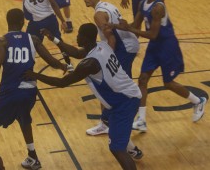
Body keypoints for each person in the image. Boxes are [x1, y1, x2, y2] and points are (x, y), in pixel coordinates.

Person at [0, 8, 67, 170]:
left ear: (7, 22)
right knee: (24, 119)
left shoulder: (2, 41)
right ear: (23, 22)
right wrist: (62, 65)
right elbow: (51, 61)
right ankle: (33, 157)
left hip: (10, 92)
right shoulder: (34, 39)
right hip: (29, 92)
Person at [26, 23, 142, 170]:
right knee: (114, 131)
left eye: (79, 34)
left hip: (125, 101)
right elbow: (76, 52)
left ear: (85, 38)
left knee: (117, 148)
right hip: (123, 96)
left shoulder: (89, 64)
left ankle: (130, 152)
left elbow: (62, 82)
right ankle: (134, 151)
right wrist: (54, 39)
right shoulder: (101, 46)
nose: (77, 36)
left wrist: (34, 75)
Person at [114, 0, 207, 132]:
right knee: (143, 79)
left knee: (168, 83)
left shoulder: (158, 8)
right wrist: (118, 26)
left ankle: (198, 101)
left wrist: (130, 29)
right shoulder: (142, 4)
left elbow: (153, 34)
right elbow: (135, 26)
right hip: (154, 47)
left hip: (167, 46)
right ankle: (141, 120)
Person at [82, 0, 140, 139]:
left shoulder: (98, 14)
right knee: (120, 82)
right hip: (130, 44)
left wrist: (107, 57)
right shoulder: (108, 5)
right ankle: (112, 119)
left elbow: (112, 38)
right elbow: (123, 22)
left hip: (123, 48)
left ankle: (108, 123)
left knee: (111, 84)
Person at [18, 0, 74, 72]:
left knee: (29, 45)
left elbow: (27, 5)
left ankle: (26, 69)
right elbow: (53, 3)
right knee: (59, 42)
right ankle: (69, 64)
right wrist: (62, 20)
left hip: (35, 23)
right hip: (50, 19)